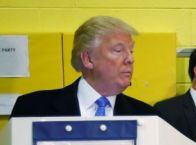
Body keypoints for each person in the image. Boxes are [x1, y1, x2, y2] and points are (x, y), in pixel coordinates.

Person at [10, 15, 158, 117]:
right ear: (88, 59)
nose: (130, 59)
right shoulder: (32, 108)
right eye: (118, 50)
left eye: (131, 51)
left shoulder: (147, 116)